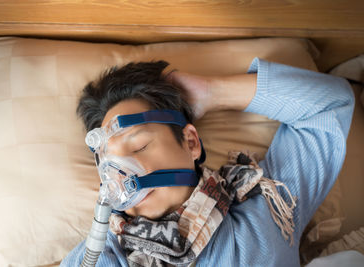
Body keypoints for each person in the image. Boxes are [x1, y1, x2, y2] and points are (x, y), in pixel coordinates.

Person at [61, 58, 355, 266]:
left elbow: (329, 106)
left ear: (190, 142)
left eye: (138, 146)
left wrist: (214, 92)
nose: (125, 175)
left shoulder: (267, 210)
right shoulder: (104, 254)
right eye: (111, 166)